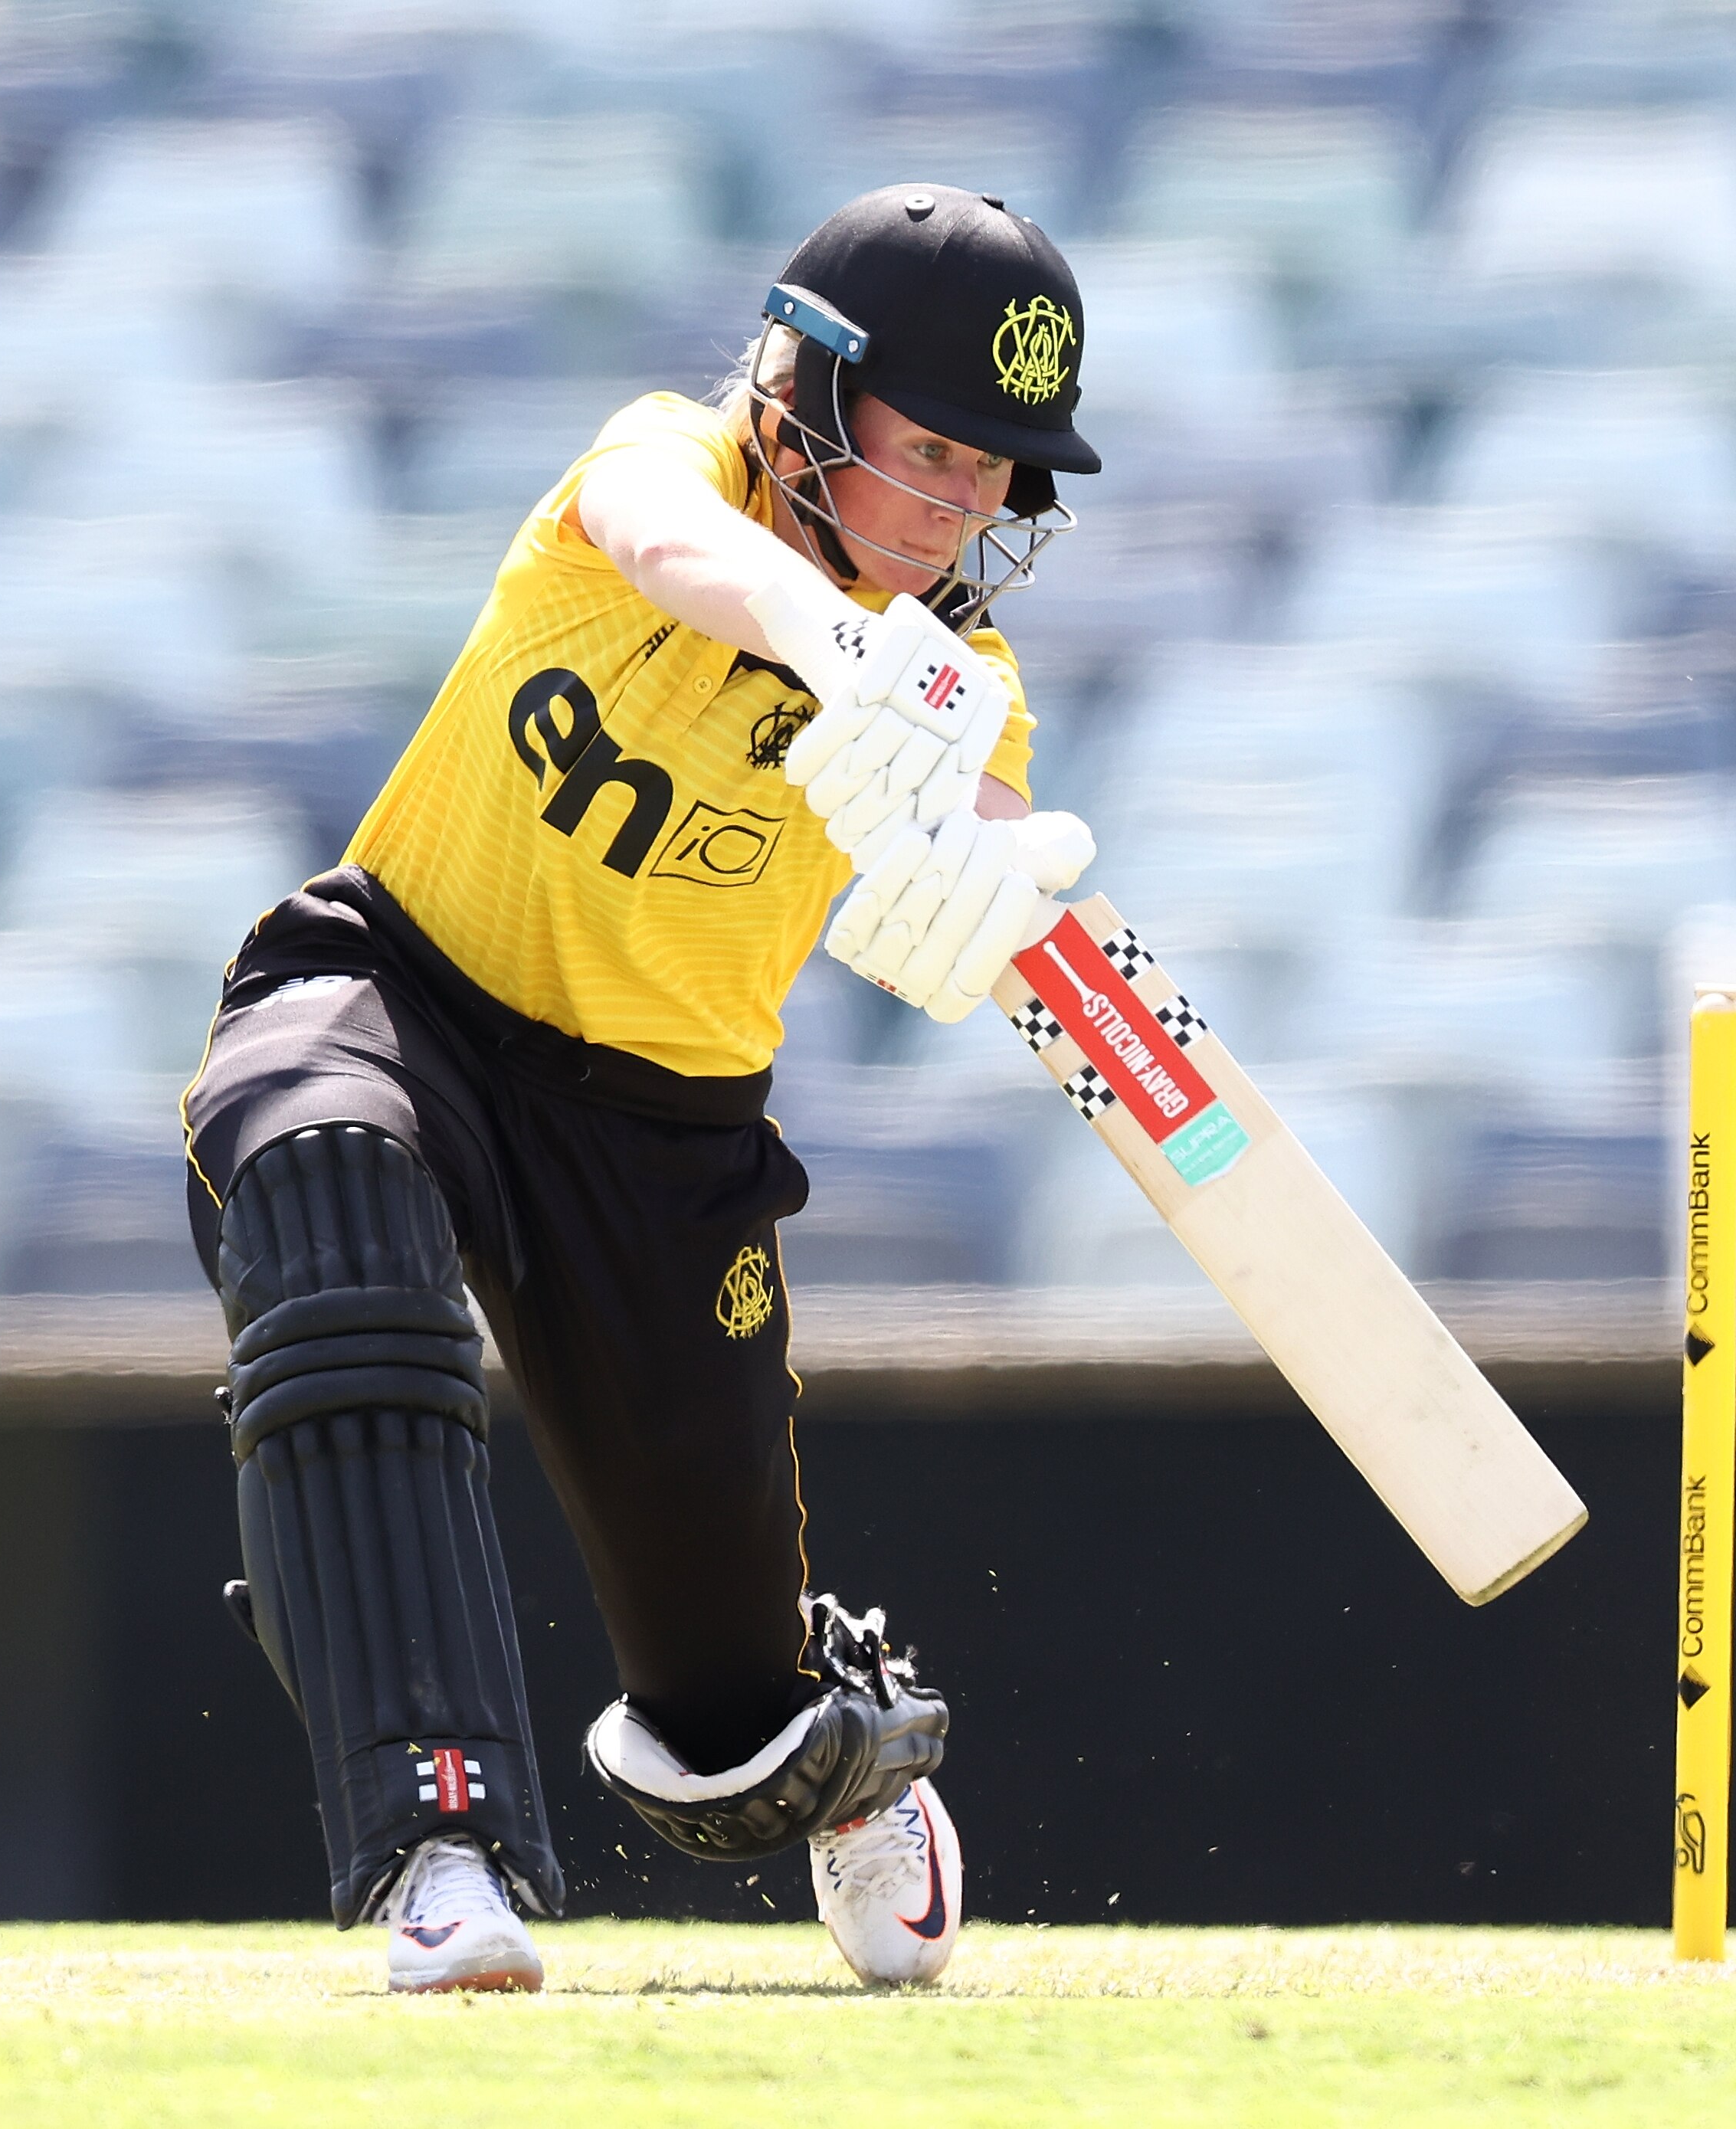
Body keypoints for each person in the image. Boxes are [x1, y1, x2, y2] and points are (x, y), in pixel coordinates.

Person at [179, 185, 1100, 1993]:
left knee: (728, 1716)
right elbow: (683, 546)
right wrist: (836, 646)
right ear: (808, 402)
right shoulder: (661, 465)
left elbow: (998, 848)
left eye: (999, 474)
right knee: (322, 1169)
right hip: (402, 986)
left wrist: (997, 887)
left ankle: (834, 1737)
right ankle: (439, 1848)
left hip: (661, 1141)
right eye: (930, 449)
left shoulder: (963, 693)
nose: (962, 507)